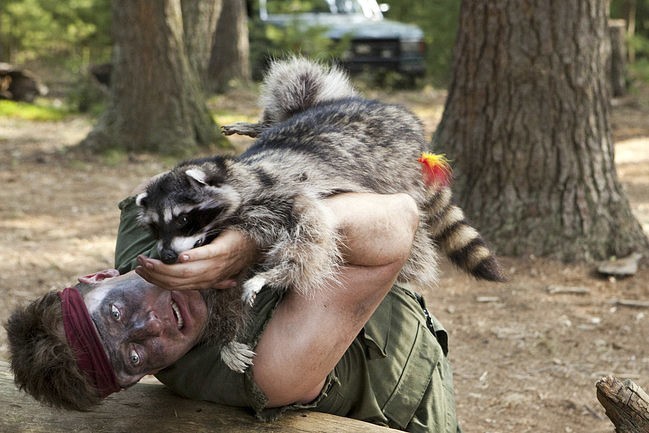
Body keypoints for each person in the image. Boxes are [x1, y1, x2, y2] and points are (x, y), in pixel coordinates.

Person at [6, 184, 461, 432]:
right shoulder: (269, 369)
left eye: (117, 315)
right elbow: (397, 219)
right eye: (136, 357)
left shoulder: (153, 226)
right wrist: (248, 242)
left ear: (100, 277)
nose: (150, 325)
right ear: (136, 381)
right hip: (403, 394)